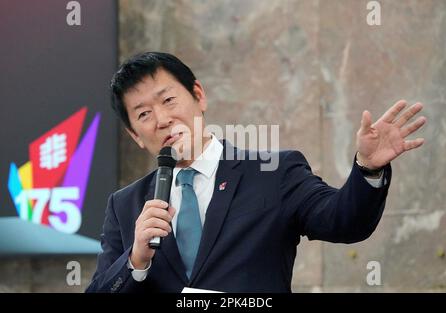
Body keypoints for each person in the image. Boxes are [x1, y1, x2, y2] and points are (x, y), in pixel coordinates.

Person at [86, 52, 426, 293]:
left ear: (198, 95)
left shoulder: (274, 172)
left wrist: (368, 167)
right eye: (143, 114)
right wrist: (136, 260)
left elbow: (344, 221)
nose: (161, 119)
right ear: (134, 135)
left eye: (169, 101)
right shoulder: (126, 205)